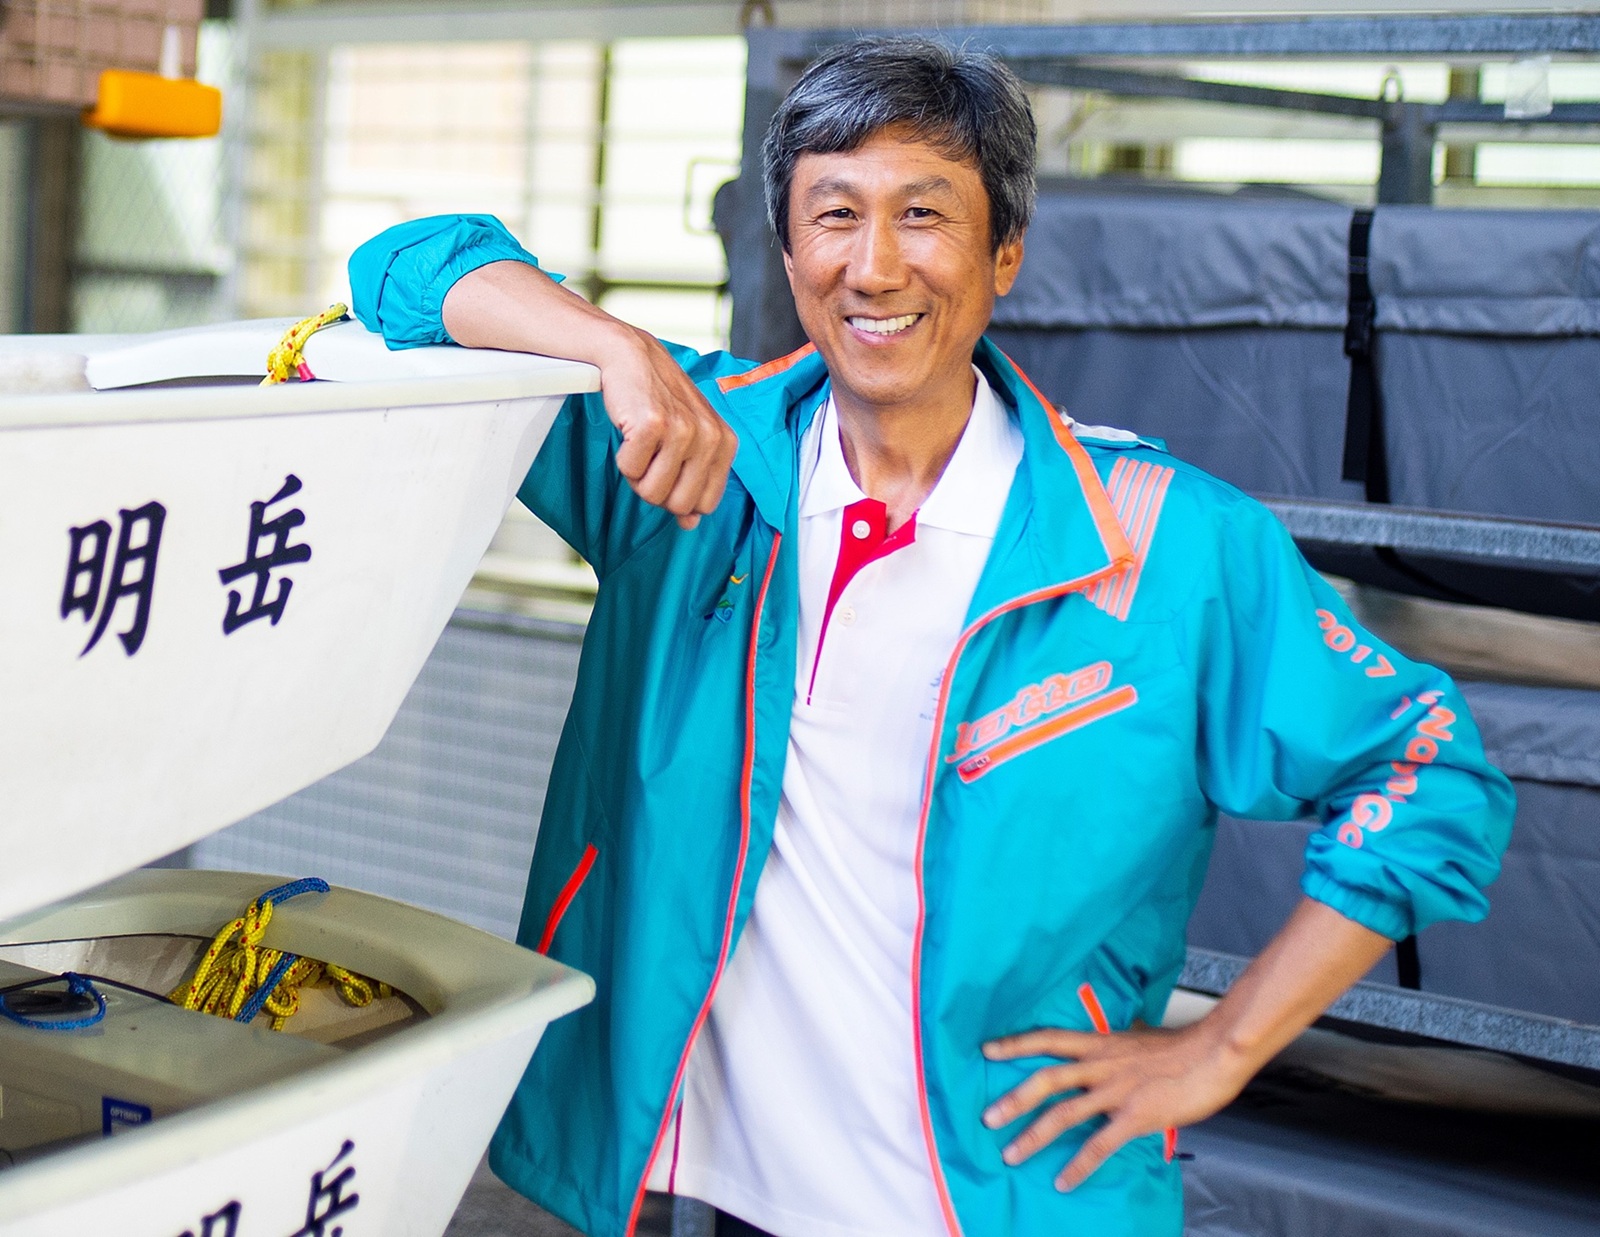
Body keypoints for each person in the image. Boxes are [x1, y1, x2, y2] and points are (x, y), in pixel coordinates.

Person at [349, 37, 1513, 1237]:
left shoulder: (1160, 545)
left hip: (1004, 1199)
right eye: (834, 213)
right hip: (713, 1187)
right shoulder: (687, 460)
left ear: (1004, 250)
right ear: (787, 250)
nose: (873, 266)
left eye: (923, 213)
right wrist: (612, 348)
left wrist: (1220, 1048)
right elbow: (403, 273)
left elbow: (1428, 769)